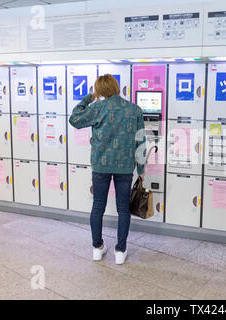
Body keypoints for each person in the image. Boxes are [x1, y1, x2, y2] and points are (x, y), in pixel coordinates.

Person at [69, 74, 145, 264]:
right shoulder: (134, 110)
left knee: (97, 207)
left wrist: (89, 98)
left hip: (101, 165)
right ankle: (120, 251)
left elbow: (74, 119)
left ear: (100, 91)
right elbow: (141, 141)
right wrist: (141, 168)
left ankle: (97, 247)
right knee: (123, 209)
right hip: (125, 166)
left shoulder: (97, 108)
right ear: (117, 87)